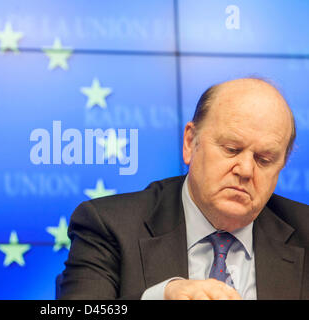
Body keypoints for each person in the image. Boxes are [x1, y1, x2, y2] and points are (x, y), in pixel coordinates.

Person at [57, 78, 309, 300]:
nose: (245, 170)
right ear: (190, 142)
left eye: (264, 159)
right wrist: (160, 298)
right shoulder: (109, 226)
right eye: (231, 149)